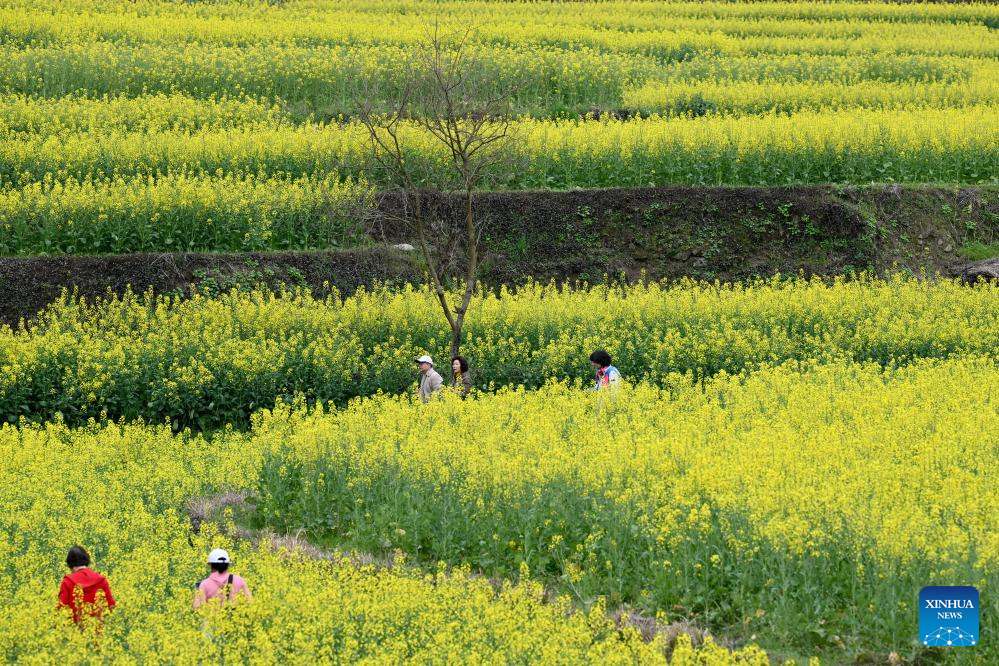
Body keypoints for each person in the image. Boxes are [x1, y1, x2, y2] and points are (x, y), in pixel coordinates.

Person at [58, 545, 116, 625]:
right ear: (87, 560)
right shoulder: (101, 580)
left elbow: (60, 609)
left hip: (74, 632)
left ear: (69, 564)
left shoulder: (67, 582)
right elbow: (111, 606)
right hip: (98, 630)